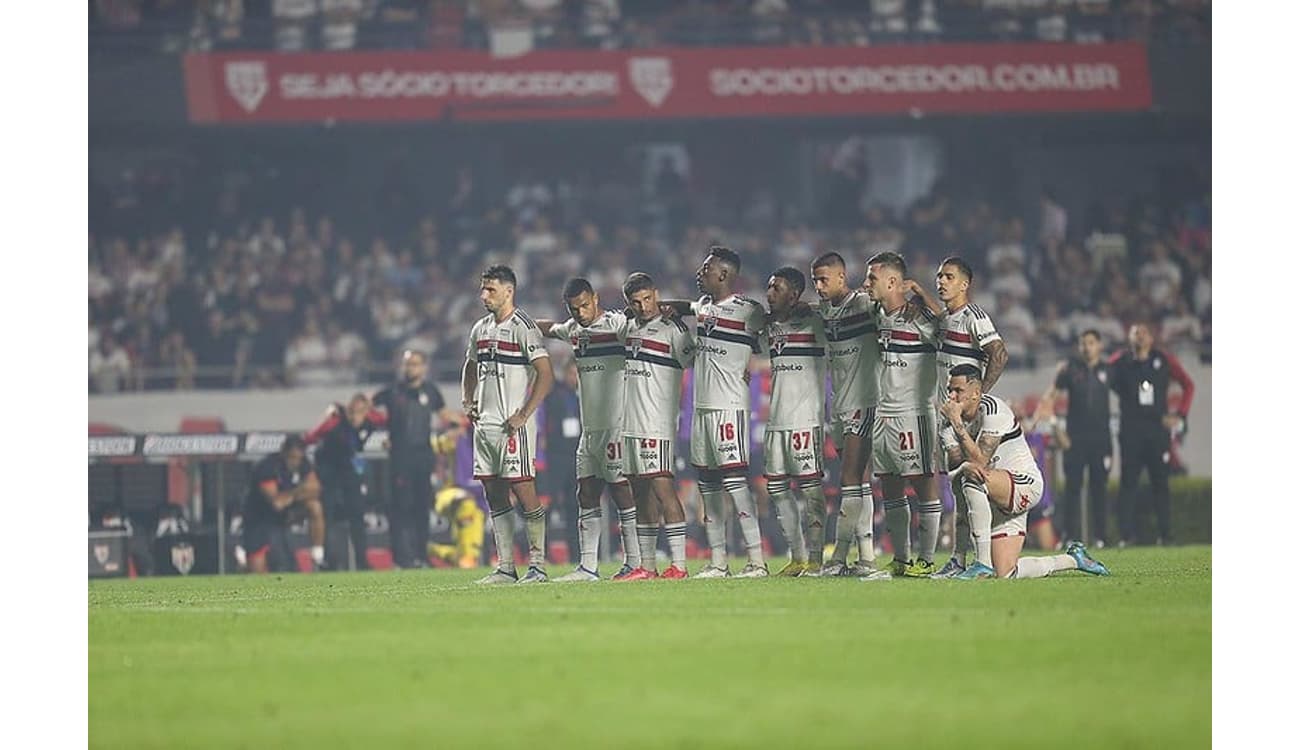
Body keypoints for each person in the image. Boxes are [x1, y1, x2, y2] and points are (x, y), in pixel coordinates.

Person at [937, 365, 1109, 579]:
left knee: (972, 478)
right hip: (995, 492)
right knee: (1007, 572)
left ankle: (979, 563)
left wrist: (957, 426)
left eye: (958, 390)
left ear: (976, 393)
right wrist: (962, 464)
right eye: (949, 390)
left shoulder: (993, 410)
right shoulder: (946, 422)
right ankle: (1074, 559)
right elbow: (952, 471)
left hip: (1024, 484)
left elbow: (979, 460)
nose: (951, 397)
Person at [537, 277, 642, 581]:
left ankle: (634, 562)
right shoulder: (573, 329)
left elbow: (640, 324)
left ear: (595, 298)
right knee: (587, 493)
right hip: (590, 430)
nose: (581, 313)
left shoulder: (618, 325)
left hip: (616, 426)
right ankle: (588, 567)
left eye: (584, 305)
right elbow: (550, 327)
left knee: (622, 491)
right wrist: (523, 323)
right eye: (574, 308)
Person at [675, 246, 770, 578]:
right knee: (707, 486)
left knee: (736, 484)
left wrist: (752, 361)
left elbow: (778, 327)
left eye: (707, 268)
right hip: (701, 411)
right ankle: (718, 562)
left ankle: (756, 561)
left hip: (729, 409)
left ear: (724, 274)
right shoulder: (701, 307)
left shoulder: (750, 310)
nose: (700, 273)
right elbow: (682, 306)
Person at [463, 264, 556, 584]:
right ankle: (505, 566)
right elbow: (469, 365)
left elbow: (546, 374)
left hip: (513, 428)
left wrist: (524, 414)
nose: (483, 294)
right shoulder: (480, 328)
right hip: (485, 426)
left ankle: (538, 566)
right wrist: (467, 400)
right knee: (493, 494)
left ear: (509, 291)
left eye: (490, 289)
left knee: (525, 492)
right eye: (482, 288)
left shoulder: (524, 326)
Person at [807, 252, 889, 579]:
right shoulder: (824, 310)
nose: (818, 286)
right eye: (815, 280)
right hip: (839, 405)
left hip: (865, 401)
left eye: (823, 279)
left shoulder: (865, 305)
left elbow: (893, 306)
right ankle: (866, 558)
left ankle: (839, 556)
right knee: (859, 484)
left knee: (850, 479)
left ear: (842, 277)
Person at [862, 251, 943, 577]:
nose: (866, 283)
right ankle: (901, 558)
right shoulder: (875, 315)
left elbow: (951, 329)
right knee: (890, 487)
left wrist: (924, 296)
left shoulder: (920, 318)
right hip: (883, 414)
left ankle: (926, 559)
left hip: (914, 413)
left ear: (893, 282)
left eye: (872, 278)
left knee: (924, 486)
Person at [931, 256, 1009, 577]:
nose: (941, 282)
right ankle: (959, 559)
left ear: (965, 284)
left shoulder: (973, 316)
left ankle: (979, 561)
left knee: (969, 483)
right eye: (939, 277)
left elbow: (1000, 353)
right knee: (956, 489)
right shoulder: (945, 319)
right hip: (947, 415)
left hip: (963, 418)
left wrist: (979, 394)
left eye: (948, 277)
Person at [617, 272, 697, 580]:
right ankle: (647, 566)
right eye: (635, 302)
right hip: (631, 424)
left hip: (657, 423)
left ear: (656, 295)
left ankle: (679, 565)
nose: (643, 306)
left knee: (664, 488)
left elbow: (696, 361)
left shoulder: (673, 329)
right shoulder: (628, 328)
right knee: (640, 493)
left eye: (648, 299)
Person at [761, 267, 831, 577]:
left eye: (776, 288)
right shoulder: (768, 325)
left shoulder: (815, 321)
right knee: (776, 489)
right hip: (775, 421)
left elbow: (836, 311)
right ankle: (797, 556)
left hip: (805, 419)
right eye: (768, 287)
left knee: (811, 491)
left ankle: (816, 559)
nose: (769, 293)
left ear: (794, 294)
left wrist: (812, 306)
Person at [1107, 323, 1195, 545]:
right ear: (1129, 337)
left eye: (1144, 332)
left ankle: (1165, 535)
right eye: (1135, 332)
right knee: (1128, 484)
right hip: (1131, 430)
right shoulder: (1120, 362)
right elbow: (1102, 376)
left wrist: (1181, 415)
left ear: (1152, 338)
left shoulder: (1164, 360)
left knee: (1160, 484)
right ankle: (1126, 536)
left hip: (1158, 430)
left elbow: (1188, 385)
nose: (1140, 337)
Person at [372, 349, 452, 569]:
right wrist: (382, 432)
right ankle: (401, 558)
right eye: (407, 364)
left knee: (421, 507)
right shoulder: (393, 392)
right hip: (400, 456)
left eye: (415, 364)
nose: (411, 368)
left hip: (423, 456)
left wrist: (464, 422)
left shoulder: (431, 391)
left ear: (424, 367)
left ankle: (421, 556)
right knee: (400, 508)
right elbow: (369, 409)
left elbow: (446, 417)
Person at [1033, 329, 1114, 547]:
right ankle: (1070, 535)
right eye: (1083, 343)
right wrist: (1046, 414)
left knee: (1099, 488)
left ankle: (1101, 537)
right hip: (1075, 439)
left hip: (1101, 439)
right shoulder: (1070, 370)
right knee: (1072, 489)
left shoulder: (1109, 370)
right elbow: (1052, 394)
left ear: (1099, 345)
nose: (1086, 347)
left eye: (1090, 342)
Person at [304, 393, 387, 570]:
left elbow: (388, 420)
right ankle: (329, 561)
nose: (355, 417)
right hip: (328, 470)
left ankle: (362, 561)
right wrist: (325, 416)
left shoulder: (371, 420)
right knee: (329, 515)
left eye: (360, 412)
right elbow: (310, 437)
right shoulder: (334, 423)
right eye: (352, 412)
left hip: (348, 469)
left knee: (357, 515)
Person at [237, 435, 327, 574]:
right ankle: (243, 565)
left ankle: (317, 555)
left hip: (286, 513)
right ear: (283, 453)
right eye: (292, 457)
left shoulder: (304, 464)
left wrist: (292, 497)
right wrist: (300, 490)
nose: (295, 462)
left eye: (298, 458)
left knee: (315, 506)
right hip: (259, 518)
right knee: (258, 571)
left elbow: (316, 488)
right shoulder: (267, 467)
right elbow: (276, 502)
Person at [427, 486, 486, 569]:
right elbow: (462, 496)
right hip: (470, 513)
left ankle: (467, 562)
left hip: (467, 513)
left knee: (469, 545)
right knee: (469, 545)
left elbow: (459, 497)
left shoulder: (441, 498)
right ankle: (467, 562)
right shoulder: (447, 493)